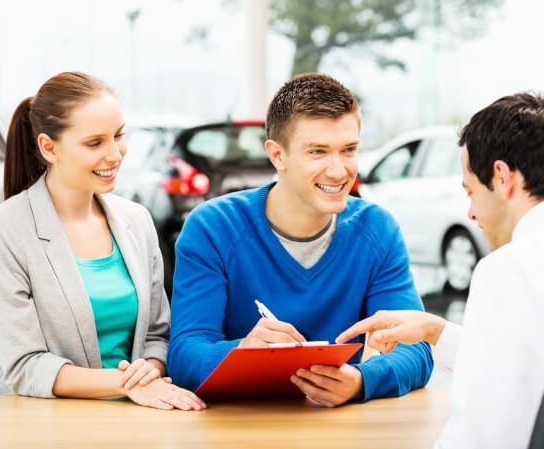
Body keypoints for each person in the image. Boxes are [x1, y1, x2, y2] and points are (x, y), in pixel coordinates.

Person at [337, 92, 544, 449]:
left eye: (471, 192)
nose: (472, 214)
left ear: (502, 177)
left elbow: (481, 446)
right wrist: (436, 332)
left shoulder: (510, 269)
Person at [167, 73, 433, 407]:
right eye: (318, 152)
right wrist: (242, 352)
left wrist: (361, 381)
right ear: (277, 155)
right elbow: (184, 354)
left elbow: (417, 348)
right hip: (235, 430)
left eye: (348, 150)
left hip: (337, 431)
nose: (338, 171)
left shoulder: (377, 229)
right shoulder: (213, 228)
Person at [0, 71, 205, 411]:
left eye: (119, 135)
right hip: (36, 425)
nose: (114, 154)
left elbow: (158, 336)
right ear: (49, 148)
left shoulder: (136, 221)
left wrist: (149, 372)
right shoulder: (1, 232)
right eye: (95, 143)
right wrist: (128, 384)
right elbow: (24, 366)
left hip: (134, 414)